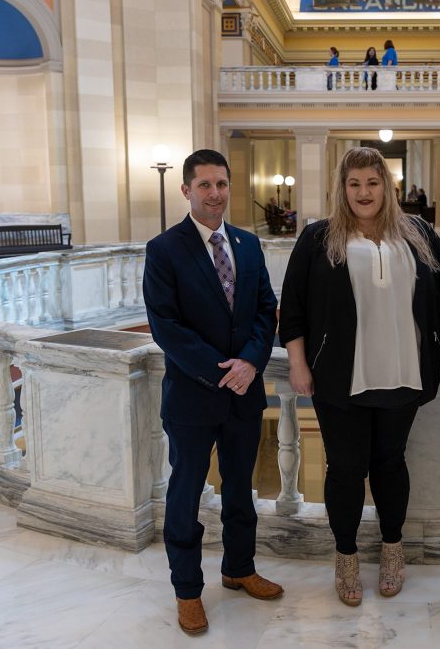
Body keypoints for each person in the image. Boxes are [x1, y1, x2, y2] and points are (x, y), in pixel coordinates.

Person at [279, 146, 440, 607]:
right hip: (339, 380)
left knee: (391, 465)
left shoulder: (417, 234)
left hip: (403, 375)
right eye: (354, 184)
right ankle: (347, 556)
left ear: (387, 186)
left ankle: (393, 551)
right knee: (346, 471)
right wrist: (298, 361)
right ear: (342, 188)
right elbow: (291, 306)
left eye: (372, 183)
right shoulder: (318, 238)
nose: (363, 192)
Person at [143, 149, 283, 636]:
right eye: (204, 185)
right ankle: (187, 591)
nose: (215, 193)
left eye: (221, 183)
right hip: (192, 398)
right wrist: (223, 371)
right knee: (185, 495)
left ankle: (239, 569)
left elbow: (267, 309)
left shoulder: (247, 244)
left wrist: (251, 361)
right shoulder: (164, 249)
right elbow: (167, 326)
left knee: (242, 490)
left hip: (244, 395)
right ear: (186, 190)